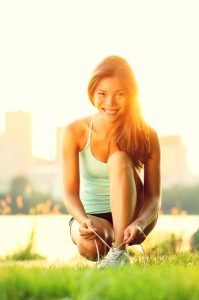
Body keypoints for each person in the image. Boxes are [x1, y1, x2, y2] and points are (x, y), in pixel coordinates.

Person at [62, 55, 161, 268]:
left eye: (120, 94)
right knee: (91, 246)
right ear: (92, 94)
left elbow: (153, 197)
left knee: (117, 159)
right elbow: (69, 193)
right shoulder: (75, 131)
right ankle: (112, 251)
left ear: (132, 95)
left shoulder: (147, 134)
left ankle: (118, 253)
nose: (110, 103)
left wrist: (139, 223)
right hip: (92, 215)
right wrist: (82, 220)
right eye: (102, 94)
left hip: (137, 215)